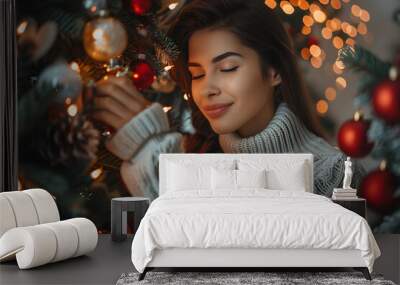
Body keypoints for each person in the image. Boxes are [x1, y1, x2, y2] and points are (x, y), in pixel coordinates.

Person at [91, 0, 365, 200]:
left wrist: (151, 149)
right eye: (197, 74)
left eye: (228, 68)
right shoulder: (195, 155)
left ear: (275, 71)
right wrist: (148, 149)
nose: (207, 89)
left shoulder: (334, 175)